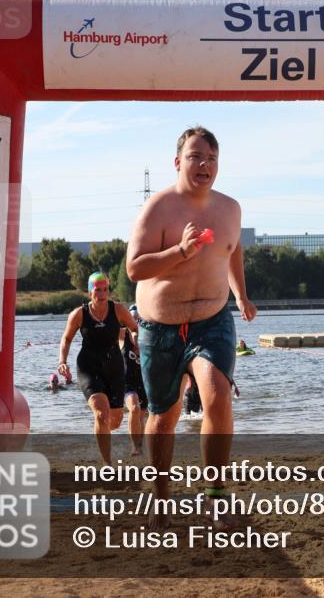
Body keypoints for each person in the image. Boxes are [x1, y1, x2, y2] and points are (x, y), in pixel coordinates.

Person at [126, 125, 257, 531]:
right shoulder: (158, 208)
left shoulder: (230, 208)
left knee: (217, 396)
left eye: (212, 159)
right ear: (178, 161)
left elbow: (232, 251)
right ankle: (160, 497)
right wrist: (180, 251)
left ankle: (215, 497)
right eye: (196, 156)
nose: (204, 165)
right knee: (163, 417)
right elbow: (134, 268)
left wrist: (241, 294)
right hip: (160, 328)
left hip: (212, 322)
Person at [58, 272, 138, 465]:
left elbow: (134, 327)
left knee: (115, 421)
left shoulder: (118, 309)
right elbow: (66, 338)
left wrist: (135, 339)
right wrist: (62, 361)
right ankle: (107, 463)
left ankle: (100, 432)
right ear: (89, 292)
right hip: (88, 367)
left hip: (114, 367)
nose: (102, 294)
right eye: (97, 290)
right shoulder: (79, 314)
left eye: (105, 289)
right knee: (101, 413)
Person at [121, 305, 147, 456]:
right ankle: (134, 446)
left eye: (138, 319)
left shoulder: (147, 338)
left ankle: (140, 445)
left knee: (141, 415)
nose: (135, 322)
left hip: (144, 382)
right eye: (132, 319)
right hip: (127, 382)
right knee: (134, 408)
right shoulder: (122, 336)